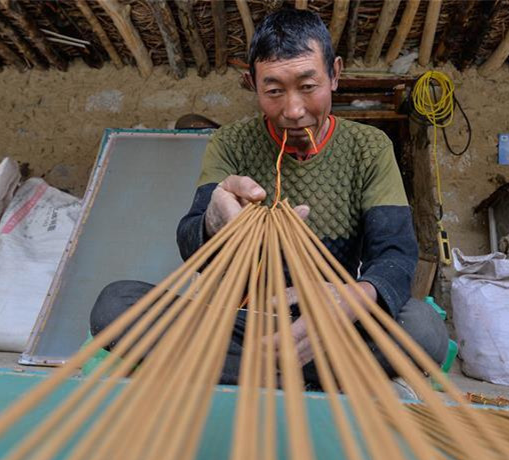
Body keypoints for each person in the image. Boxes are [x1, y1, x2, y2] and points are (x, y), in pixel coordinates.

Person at [90, 8, 448, 394]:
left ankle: (234, 371)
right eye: (274, 91)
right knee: (116, 305)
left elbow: (394, 253)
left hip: (332, 325)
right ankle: (321, 375)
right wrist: (212, 221)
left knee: (423, 329)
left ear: (335, 74)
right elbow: (192, 246)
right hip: (239, 321)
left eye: (308, 86)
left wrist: (355, 298)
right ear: (252, 83)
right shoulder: (231, 143)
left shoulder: (369, 148)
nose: (293, 111)